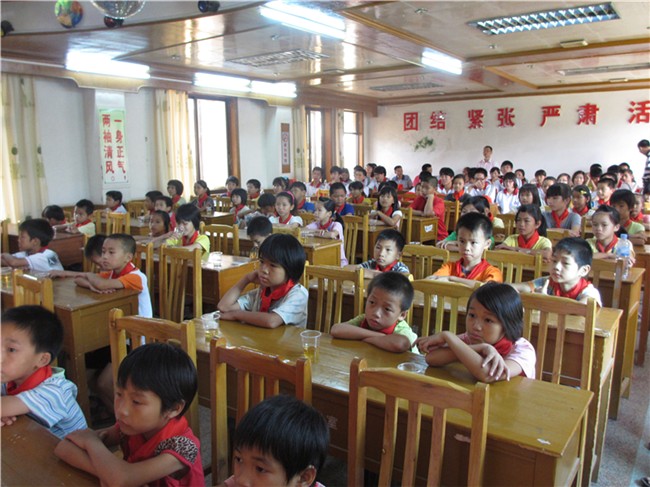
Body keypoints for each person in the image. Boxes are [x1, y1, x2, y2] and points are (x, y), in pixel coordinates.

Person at [54, 343, 204, 486]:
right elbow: (64, 447)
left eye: (136, 402)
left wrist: (91, 443)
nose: (121, 410)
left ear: (174, 409)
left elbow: (121, 479)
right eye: (119, 394)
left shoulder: (183, 447)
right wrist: (108, 473)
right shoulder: (131, 427)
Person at [416, 283, 536, 382]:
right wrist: (480, 348)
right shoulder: (470, 338)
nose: (476, 326)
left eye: (488, 320)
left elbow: (489, 375)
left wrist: (448, 336)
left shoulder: (522, 350)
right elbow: (431, 358)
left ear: (507, 325)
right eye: (472, 315)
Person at [1, 305, 87, 437]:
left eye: (11, 350)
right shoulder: (9, 377)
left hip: (70, 450)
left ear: (42, 359)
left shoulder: (55, 391)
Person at [218, 395, 328, 487]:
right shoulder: (239, 481)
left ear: (303, 477)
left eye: (260, 469)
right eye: (239, 459)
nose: (241, 480)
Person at [218, 234, 308, 328]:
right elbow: (224, 307)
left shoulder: (298, 294)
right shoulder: (262, 292)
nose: (264, 269)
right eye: (262, 262)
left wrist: (236, 314)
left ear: (290, 270)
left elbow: (272, 321)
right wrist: (246, 279)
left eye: (273, 265)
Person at [331, 273, 418, 353]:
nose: (376, 313)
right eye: (372, 302)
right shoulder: (363, 319)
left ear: (402, 315)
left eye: (387, 309)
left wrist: (363, 338)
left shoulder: (402, 329)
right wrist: (379, 336)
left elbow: (400, 344)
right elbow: (336, 329)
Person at [75, 233, 153, 316]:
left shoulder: (136, 277)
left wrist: (89, 274)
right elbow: (78, 279)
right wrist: (90, 285)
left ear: (128, 258)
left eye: (111, 252)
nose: (105, 256)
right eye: (103, 252)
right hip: (124, 316)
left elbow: (101, 284)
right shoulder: (112, 272)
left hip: (140, 322)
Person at [512, 237, 602, 305]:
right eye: (554, 260)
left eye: (565, 263)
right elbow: (512, 288)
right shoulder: (546, 282)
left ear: (583, 270)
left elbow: (581, 309)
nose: (556, 267)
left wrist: (545, 302)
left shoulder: (589, 292)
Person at [429, 213, 502, 286]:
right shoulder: (449, 267)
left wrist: (452, 279)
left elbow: (486, 287)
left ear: (487, 244)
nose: (466, 248)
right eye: (462, 241)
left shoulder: (492, 272)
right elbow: (431, 281)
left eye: (473, 242)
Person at [437, 196, 501, 251]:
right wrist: (459, 246)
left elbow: (479, 250)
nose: (467, 215)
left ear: (484, 213)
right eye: (464, 212)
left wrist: (456, 244)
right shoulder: (457, 233)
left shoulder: (486, 235)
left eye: (472, 212)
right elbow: (439, 245)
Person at [305, 198, 347, 266]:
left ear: (329, 213)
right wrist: (317, 231)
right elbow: (302, 231)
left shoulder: (336, 225)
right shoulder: (315, 224)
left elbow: (332, 235)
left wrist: (314, 233)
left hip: (338, 261)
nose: (315, 213)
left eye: (319, 210)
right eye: (315, 210)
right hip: (321, 259)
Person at [408, 173, 447, 240]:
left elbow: (428, 213)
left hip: (438, 235)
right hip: (421, 233)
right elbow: (408, 210)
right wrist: (420, 213)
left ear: (435, 189)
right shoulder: (420, 198)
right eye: (422, 187)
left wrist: (431, 197)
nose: (423, 190)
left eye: (427, 188)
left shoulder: (439, 202)